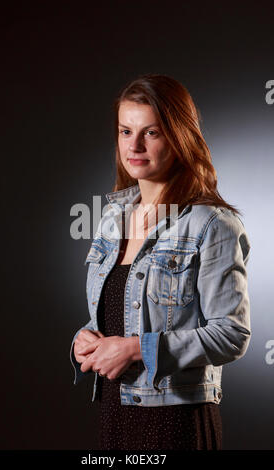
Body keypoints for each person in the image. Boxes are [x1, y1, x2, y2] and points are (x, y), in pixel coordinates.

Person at [69, 74, 251, 451]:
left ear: (179, 136)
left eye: (151, 133)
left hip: (176, 419)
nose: (133, 145)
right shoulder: (111, 219)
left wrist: (136, 350)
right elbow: (122, 315)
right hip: (116, 411)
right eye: (125, 131)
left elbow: (232, 335)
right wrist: (84, 341)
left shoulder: (212, 224)